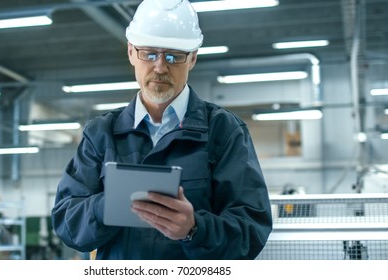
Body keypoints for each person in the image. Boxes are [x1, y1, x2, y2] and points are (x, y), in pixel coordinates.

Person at [52, 0, 272, 260]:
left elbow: (251, 229)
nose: (159, 66)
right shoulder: (100, 134)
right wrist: (107, 205)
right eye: (149, 53)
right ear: (131, 52)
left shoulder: (225, 132)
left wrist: (195, 230)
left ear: (192, 59)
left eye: (173, 56)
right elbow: (67, 221)